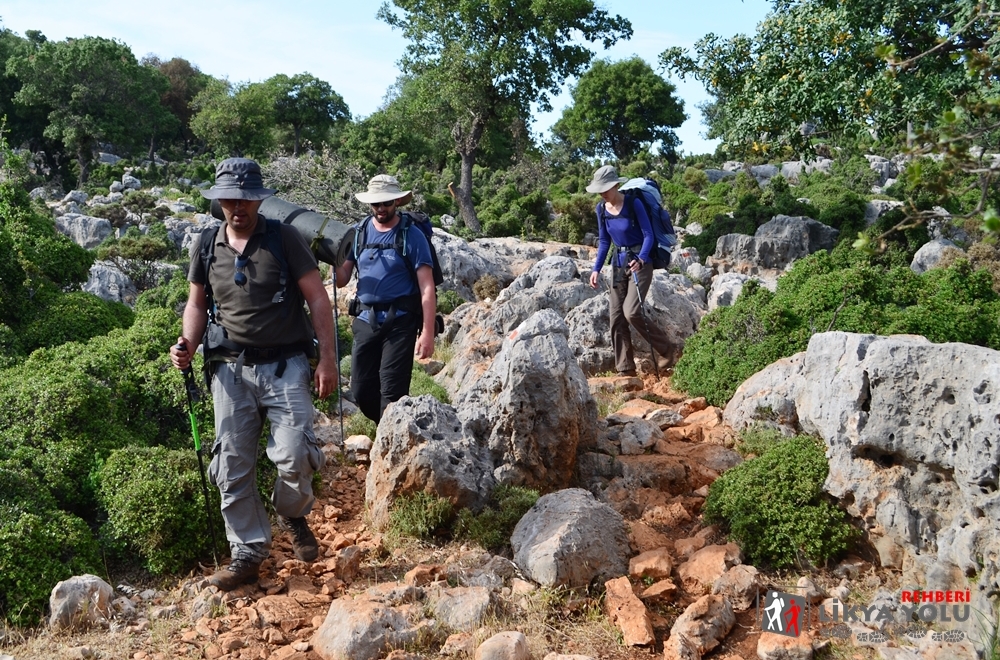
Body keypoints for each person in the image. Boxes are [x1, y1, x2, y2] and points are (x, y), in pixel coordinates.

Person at [169, 157, 338, 591]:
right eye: (229, 199)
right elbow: (196, 304)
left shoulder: (285, 239)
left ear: (259, 200)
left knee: (296, 454)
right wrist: (186, 343)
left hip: (286, 364)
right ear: (219, 200)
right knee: (231, 463)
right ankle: (247, 550)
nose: (237, 207)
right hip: (229, 367)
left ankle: (291, 511)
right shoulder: (207, 244)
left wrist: (329, 360)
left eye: (245, 199)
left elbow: (318, 300)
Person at [333, 175, 436, 423]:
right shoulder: (359, 232)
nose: (381, 208)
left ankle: (387, 450)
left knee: (392, 394)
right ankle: (385, 432)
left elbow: (427, 286)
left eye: (387, 203)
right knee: (360, 390)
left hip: (400, 323)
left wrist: (427, 333)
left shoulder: (411, 235)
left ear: (397, 201)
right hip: (365, 320)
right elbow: (342, 278)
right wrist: (329, 260)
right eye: (376, 204)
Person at [587, 165, 674, 377]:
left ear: (616, 185)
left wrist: (642, 259)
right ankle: (625, 369)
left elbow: (648, 235)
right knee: (616, 316)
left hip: (640, 263)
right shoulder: (601, 209)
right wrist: (596, 269)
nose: (602, 193)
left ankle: (666, 350)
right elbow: (605, 241)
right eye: (600, 190)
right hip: (618, 264)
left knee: (632, 311)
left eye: (605, 189)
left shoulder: (633, 203)